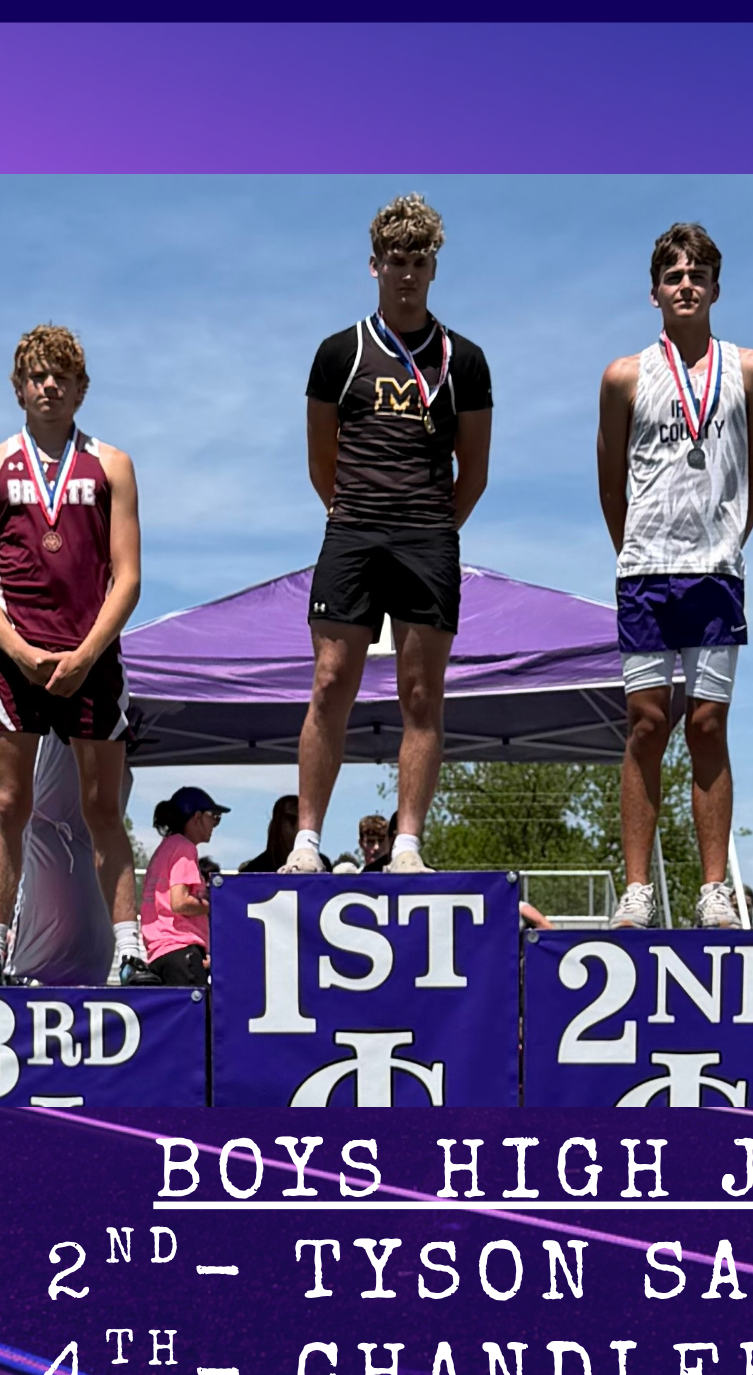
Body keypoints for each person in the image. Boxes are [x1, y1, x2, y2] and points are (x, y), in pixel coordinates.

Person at [282, 194, 493, 877]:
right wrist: (358, 518)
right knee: (330, 680)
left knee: (421, 693)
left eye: (419, 261)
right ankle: (306, 842)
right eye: (395, 260)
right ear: (373, 265)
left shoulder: (466, 360)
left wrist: (429, 529)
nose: (406, 273)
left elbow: (475, 471)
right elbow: (320, 462)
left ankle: (406, 845)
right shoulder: (339, 351)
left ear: (436, 269)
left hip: (428, 536)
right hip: (353, 530)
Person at [0, 323, 146, 986]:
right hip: (16, 658)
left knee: (102, 808)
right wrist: (19, 650)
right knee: (9, 802)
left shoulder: (113, 464)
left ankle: (130, 950)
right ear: (18, 387)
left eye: (62, 375)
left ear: (82, 388)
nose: (49, 385)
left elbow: (129, 575)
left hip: (93, 656)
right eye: (37, 375)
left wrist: (89, 652)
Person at [599, 223, 753, 929]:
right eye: (672, 274)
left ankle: (712, 890)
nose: (685, 283)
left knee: (707, 723)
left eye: (697, 272)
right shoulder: (625, 375)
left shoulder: (750, 368)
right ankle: (637, 889)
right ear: (654, 292)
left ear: (715, 288)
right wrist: (636, 549)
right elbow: (611, 482)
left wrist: (727, 542)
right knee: (647, 723)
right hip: (646, 571)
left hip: (715, 574)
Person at [140, 787, 228, 987]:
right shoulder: (185, 848)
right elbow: (180, 902)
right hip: (181, 951)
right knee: (198, 1017)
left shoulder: (163, 849)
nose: (214, 824)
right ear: (197, 817)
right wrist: (217, 904)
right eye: (214, 817)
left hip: (158, 953)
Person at [238, 796, 304, 874]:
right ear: (276, 825)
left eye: (302, 820)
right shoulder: (253, 872)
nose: (298, 826)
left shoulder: (321, 869)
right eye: (292, 820)